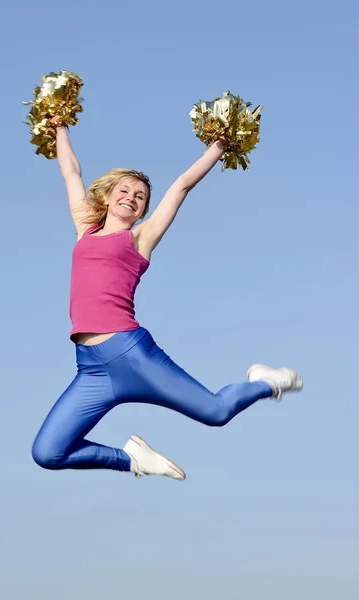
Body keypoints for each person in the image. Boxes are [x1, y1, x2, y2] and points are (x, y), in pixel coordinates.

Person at [31, 125, 303, 480]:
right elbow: (71, 171)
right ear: (108, 196)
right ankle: (132, 460)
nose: (131, 197)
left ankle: (266, 382)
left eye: (140, 196)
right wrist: (60, 127)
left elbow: (182, 185)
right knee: (48, 452)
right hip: (91, 369)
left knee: (217, 412)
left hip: (131, 354)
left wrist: (219, 145)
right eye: (125, 190)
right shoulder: (86, 229)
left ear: (143, 210)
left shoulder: (140, 238)